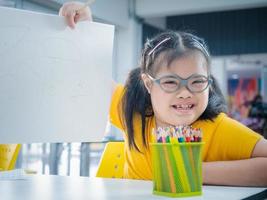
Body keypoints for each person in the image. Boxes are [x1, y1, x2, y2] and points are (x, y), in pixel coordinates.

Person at [59, 2, 267, 186]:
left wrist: (192, 171)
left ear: (208, 83)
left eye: (197, 81)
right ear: (148, 83)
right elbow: (89, 74)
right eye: (170, 82)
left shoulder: (218, 128)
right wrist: (85, 27)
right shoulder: (132, 112)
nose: (185, 93)